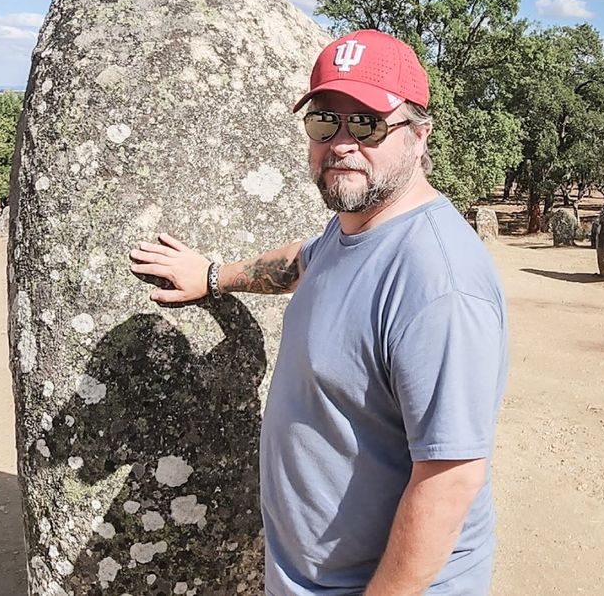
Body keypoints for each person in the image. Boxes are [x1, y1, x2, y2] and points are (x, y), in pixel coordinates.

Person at [129, 30, 509, 595]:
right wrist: (211, 274)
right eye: (325, 121)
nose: (342, 142)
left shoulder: (437, 283)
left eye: (368, 123)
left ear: (420, 136)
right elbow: (301, 261)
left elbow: (449, 478)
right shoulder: (352, 230)